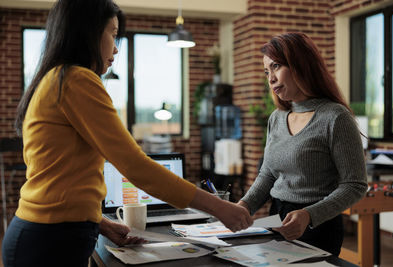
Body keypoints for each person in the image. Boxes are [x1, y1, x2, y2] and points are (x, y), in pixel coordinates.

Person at [2, 0, 252, 266]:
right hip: (50, 239)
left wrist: (99, 222)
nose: (116, 47)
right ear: (87, 32)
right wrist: (219, 206)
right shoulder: (77, 79)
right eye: (112, 33)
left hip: (45, 233)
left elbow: (57, 174)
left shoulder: (56, 78)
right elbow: (134, 165)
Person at [237, 32, 368, 256]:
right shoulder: (276, 118)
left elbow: (355, 185)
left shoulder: (335, 117)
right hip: (276, 218)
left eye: (276, 66)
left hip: (318, 226)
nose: (270, 79)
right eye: (267, 71)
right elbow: (268, 173)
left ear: (301, 65)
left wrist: (309, 215)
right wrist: (243, 206)